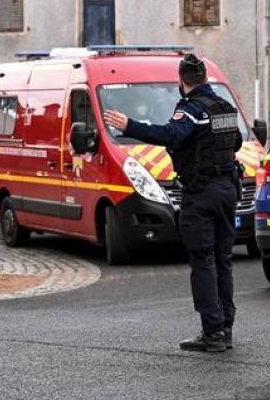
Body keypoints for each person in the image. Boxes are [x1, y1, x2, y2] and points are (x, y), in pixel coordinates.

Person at [103, 54, 242, 352]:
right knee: (222, 260)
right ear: (204, 77)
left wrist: (130, 125)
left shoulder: (190, 108)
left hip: (201, 193)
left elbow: (170, 134)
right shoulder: (224, 107)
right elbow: (237, 142)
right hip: (228, 190)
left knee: (203, 260)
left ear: (182, 81)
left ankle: (212, 332)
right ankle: (226, 328)